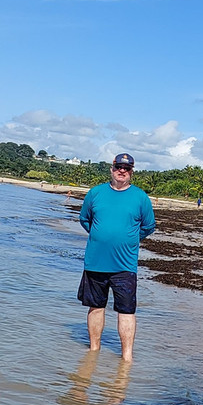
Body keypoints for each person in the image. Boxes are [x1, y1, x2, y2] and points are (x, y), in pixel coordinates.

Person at [77, 153, 155, 361]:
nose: (122, 171)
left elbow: (148, 226)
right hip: (95, 262)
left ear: (132, 172)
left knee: (126, 311)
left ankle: (127, 357)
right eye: (119, 167)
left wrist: (129, 239)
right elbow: (85, 219)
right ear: (112, 169)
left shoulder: (140, 197)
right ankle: (94, 351)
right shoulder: (95, 193)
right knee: (96, 308)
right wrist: (100, 236)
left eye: (127, 168)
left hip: (125, 265)